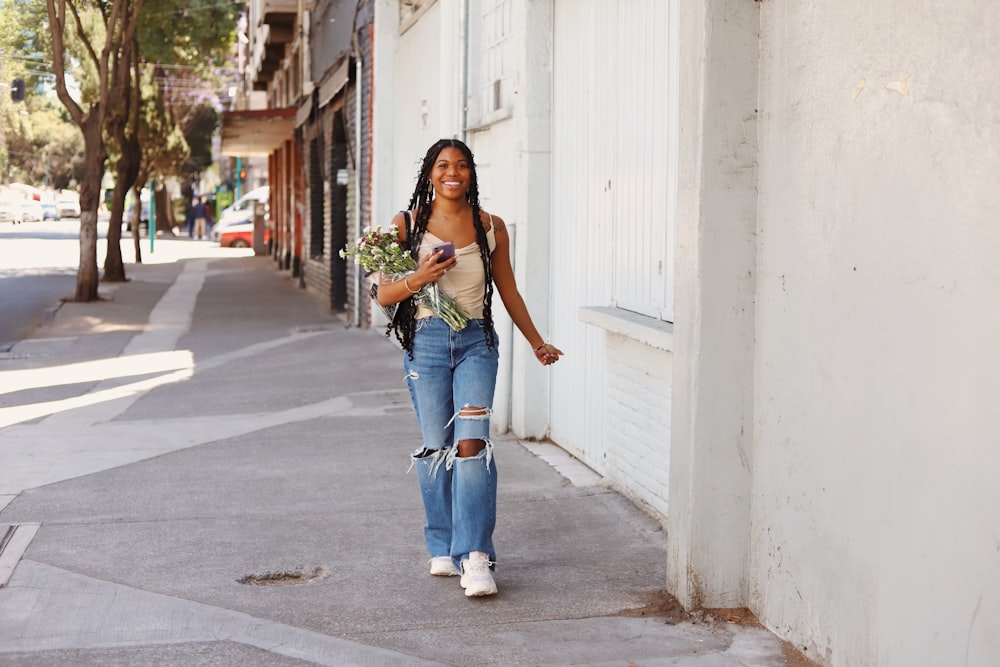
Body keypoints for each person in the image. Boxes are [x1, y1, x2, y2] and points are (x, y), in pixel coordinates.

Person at [377, 138, 563, 597]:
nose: (452, 172)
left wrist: (537, 342)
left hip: (477, 341)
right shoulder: (406, 226)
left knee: (471, 444)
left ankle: (476, 556)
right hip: (428, 342)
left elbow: (509, 292)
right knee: (435, 446)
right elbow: (384, 294)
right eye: (443, 165)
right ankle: (441, 544)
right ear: (429, 174)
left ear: (471, 174)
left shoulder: (490, 227)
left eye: (461, 165)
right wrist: (419, 278)